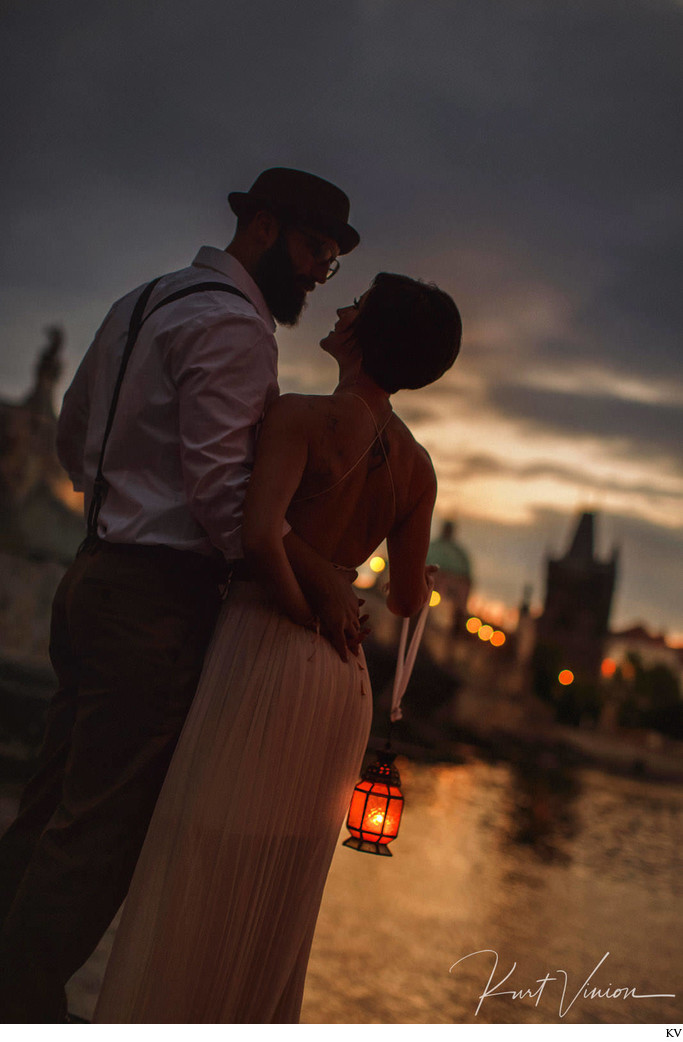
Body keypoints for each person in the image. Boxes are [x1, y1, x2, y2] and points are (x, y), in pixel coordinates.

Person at [0, 167, 362, 1024]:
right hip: (154, 603)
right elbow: (226, 502)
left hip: (92, 577)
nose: (320, 273)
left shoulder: (145, 299)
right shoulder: (237, 331)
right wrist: (311, 581)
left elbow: (70, 439)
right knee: (101, 833)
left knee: (50, 806)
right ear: (264, 229)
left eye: (334, 261)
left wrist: (124, 498)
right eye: (317, 249)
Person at [93, 272, 463, 1023]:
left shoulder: (298, 417)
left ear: (364, 334)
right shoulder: (419, 470)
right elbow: (402, 601)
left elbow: (259, 535)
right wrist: (347, 586)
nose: (339, 307)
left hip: (266, 647)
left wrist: (304, 606)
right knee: (283, 886)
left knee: (204, 855)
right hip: (343, 682)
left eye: (354, 303)